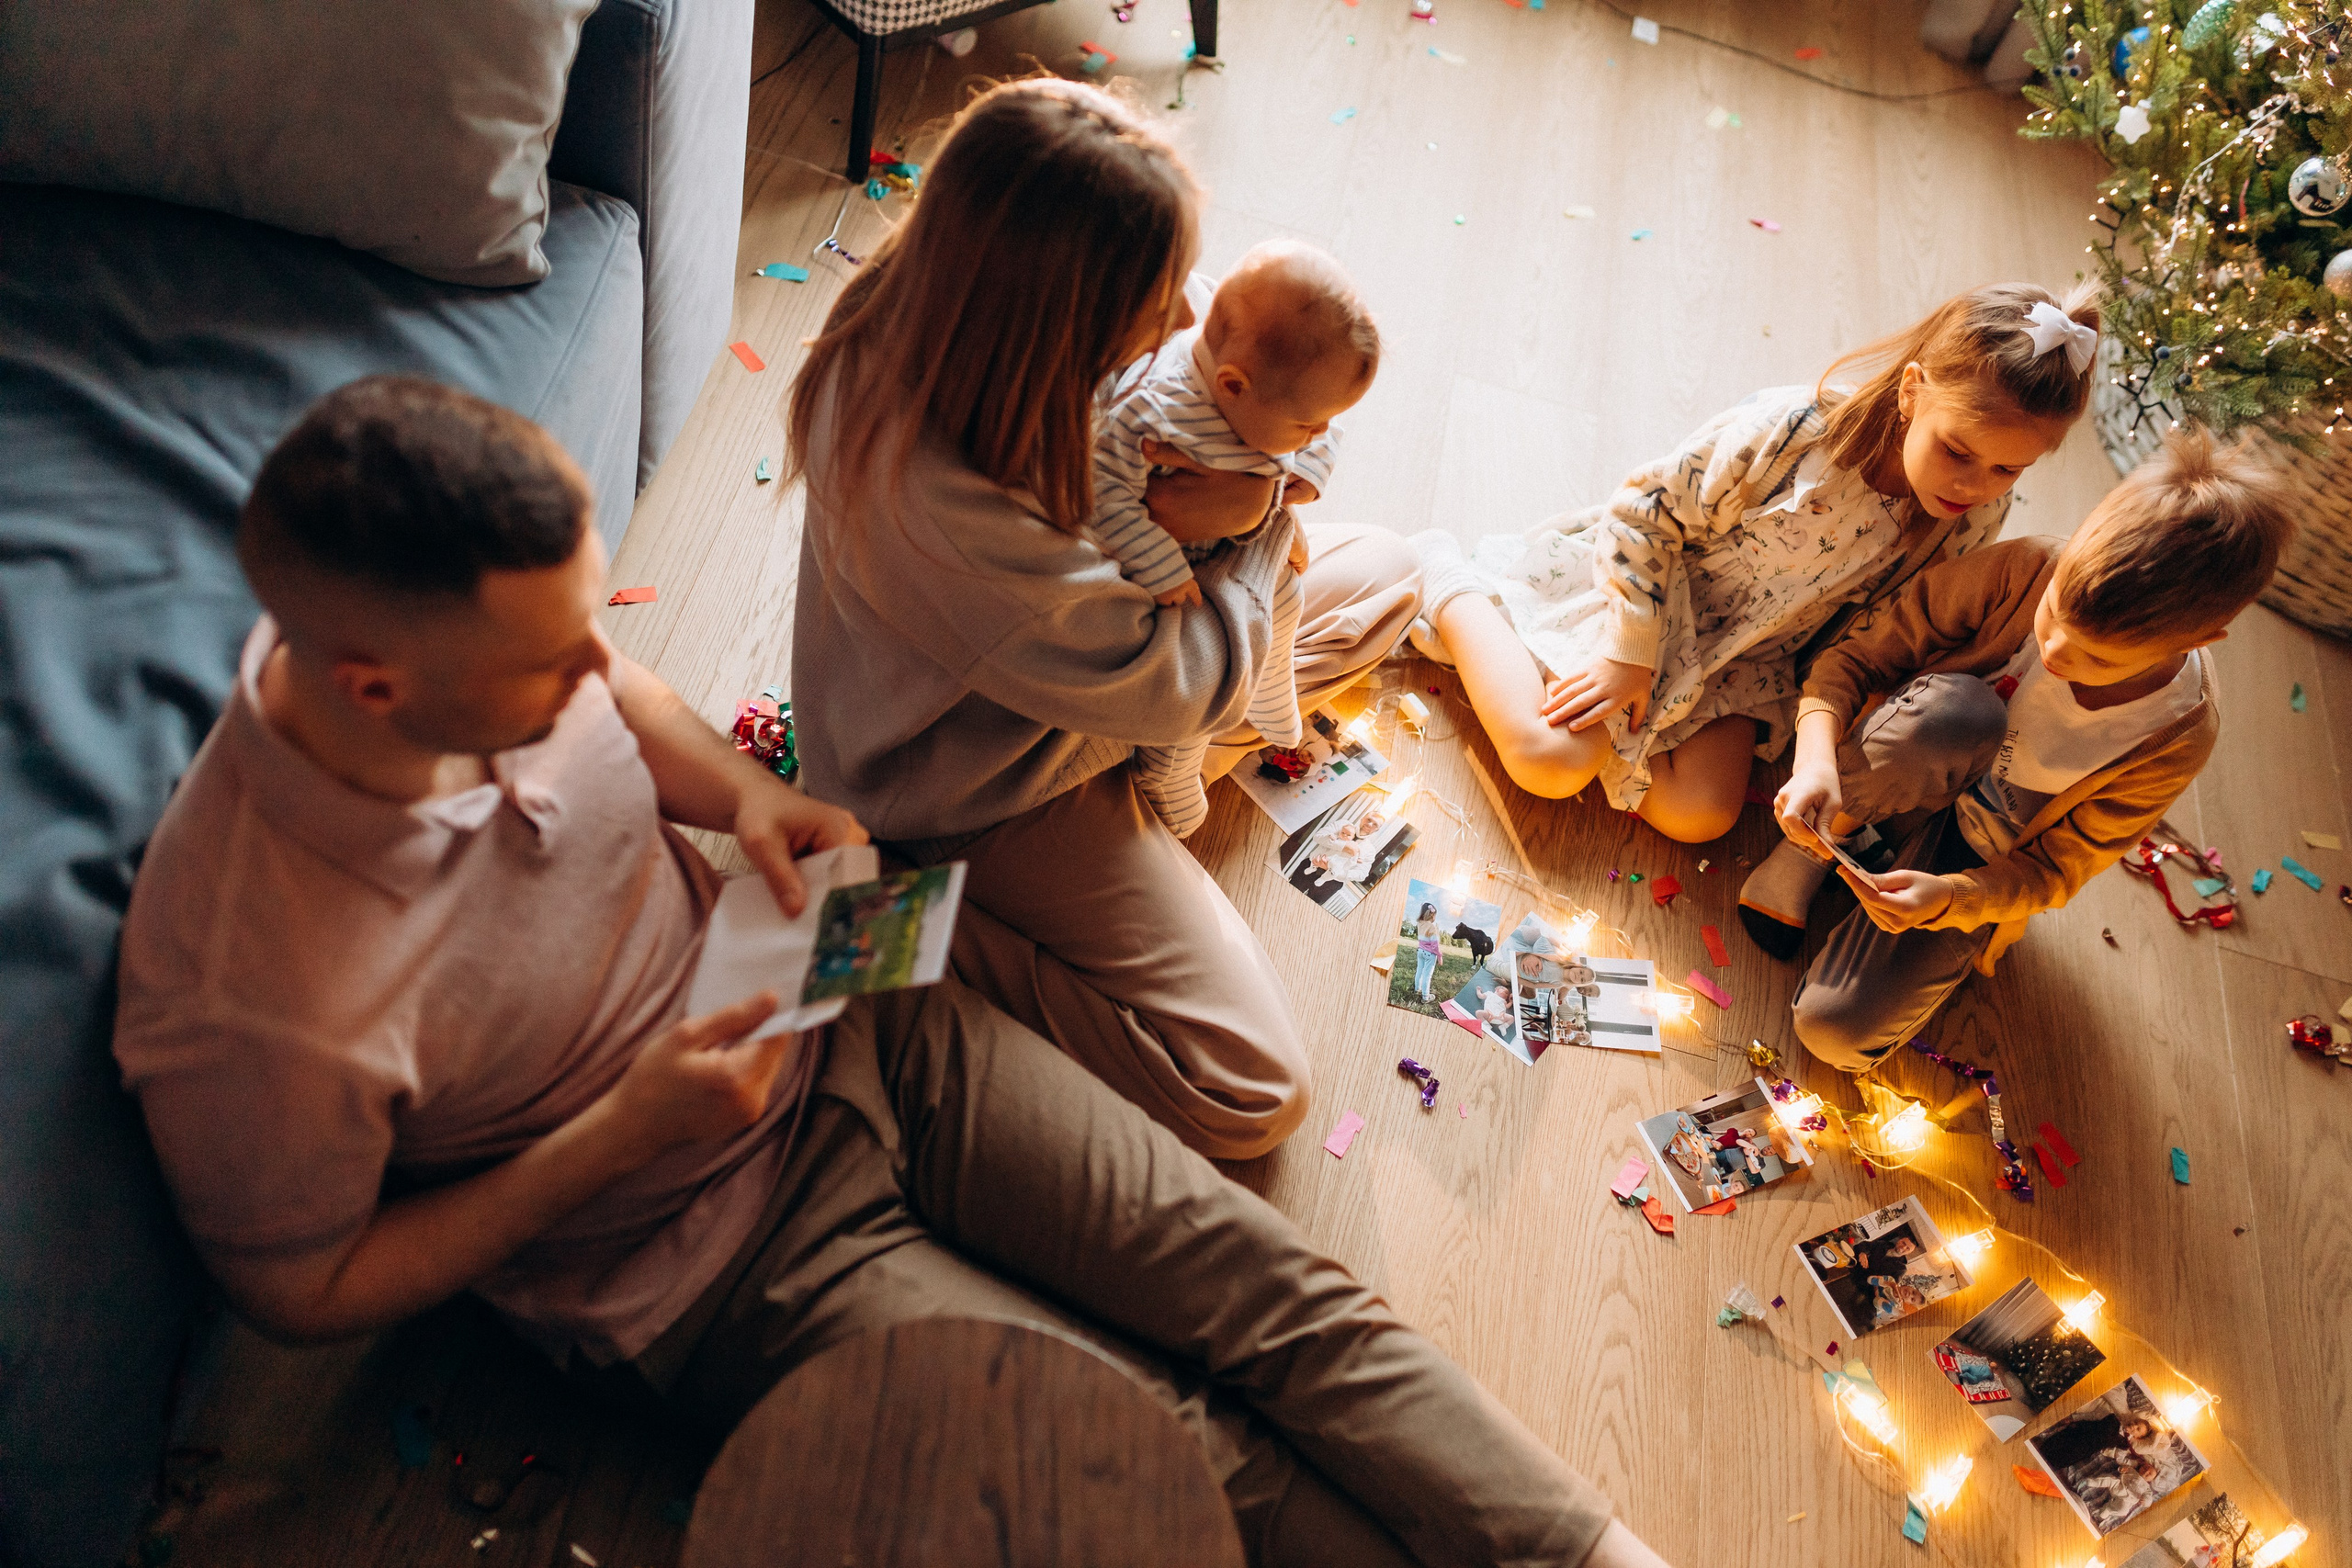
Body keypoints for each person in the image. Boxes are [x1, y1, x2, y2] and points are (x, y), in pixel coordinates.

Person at [111, 378, 1675, 1568]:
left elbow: (635, 700)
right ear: (378, 686)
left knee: (1274, 1294)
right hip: (702, 1259)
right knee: (1180, 1456)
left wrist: (754, 803)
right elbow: (297, 1288)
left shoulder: (511, 655)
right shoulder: (248, 988)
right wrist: (621, 1130)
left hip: (855, 1019)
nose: (604, 668)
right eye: (558, 661)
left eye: (599, 619)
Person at [786, 80, 1419, 1161]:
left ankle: (1151, 776)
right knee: (1252, 1095)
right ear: (1061, 314)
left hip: (1088, 675)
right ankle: (906, 911)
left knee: (1388, 573)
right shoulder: (940, 506)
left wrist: (1261, 495)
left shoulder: (993, 303)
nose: (1184, 316)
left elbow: (1255, 383)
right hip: (972, 791)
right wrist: (1254, 523)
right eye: (1161, 295)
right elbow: (1181, 679)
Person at [1408, 282, 2102, 841]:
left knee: (1701, 816)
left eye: (2007, 469)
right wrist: (1630, 651)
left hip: (1747, 662)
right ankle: (1450, 583)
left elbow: (1885, 626)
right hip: (1656, 591)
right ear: (1912, 390)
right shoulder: (1797, 432)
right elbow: (1645, 508)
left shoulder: (1971, 516)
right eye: (1956, 451)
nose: (1972, 485)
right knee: (1548, 762)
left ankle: (1606, 726)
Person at [1751, 426, 2295, 1070]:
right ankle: (1807, 852)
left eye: (2098, 655)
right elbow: (1855, 661)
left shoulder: (2176, 734)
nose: (2058, 653)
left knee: (1834, 1035)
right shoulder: (2029, 567)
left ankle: (1893, 898)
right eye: (2055, 613)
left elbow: (2053, 872)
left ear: (2203, 636)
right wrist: (1817, 758)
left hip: (1977, 859)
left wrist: (1954, 896)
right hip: (1901, 763)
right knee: (1957, 712)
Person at [1094, 240, 1381, 838]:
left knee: (1291, 601)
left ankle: (1267, 691)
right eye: (1308, 425)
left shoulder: (1245, 355)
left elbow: (1316, 418)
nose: (1321, 430)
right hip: (1174, 586)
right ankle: (1169, 785)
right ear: (1230, 387)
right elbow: (1107, 498)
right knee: (1191, 715)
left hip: (1243, 555)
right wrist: (1159, 564)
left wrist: (1299, 470)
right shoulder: (1150, 412)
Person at [1411, 904, 1443, 998]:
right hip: (1430, 954)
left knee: (1419, 971)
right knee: (1427, 975)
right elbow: (1435, 946)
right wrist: (1439, 955)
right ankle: (1425, 997)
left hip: (1420, 951)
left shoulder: (1420, 924)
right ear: (1432, 915)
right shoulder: (1432, 927)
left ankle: (1417, 989)